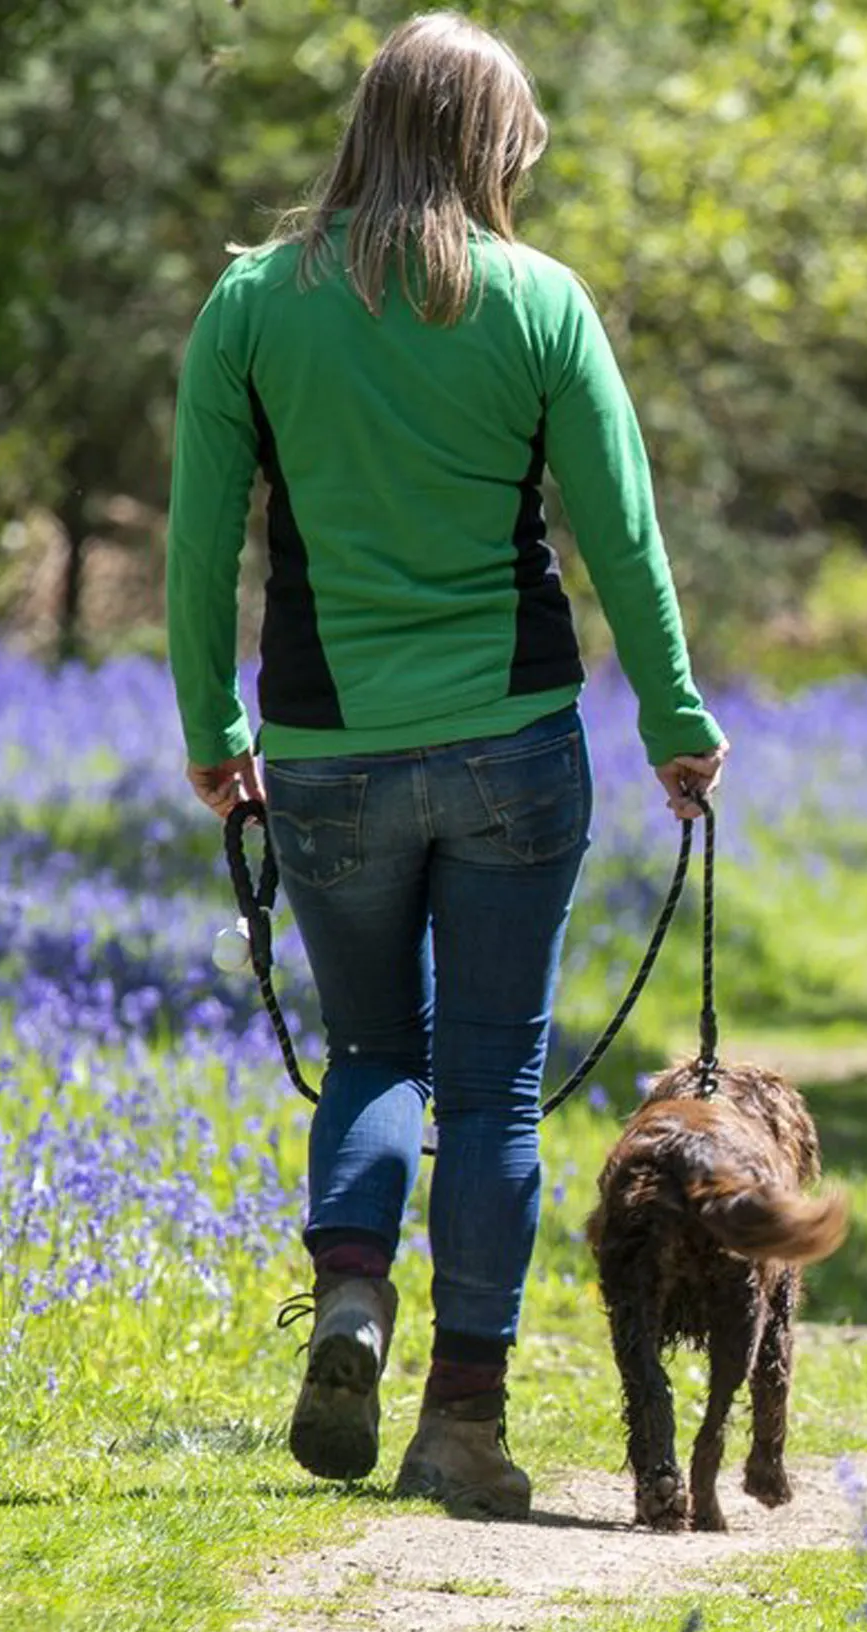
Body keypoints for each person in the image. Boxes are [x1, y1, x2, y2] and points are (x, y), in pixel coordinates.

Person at [164, 10, 727, 1521]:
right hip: (513, 743)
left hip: (329, 751)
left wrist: (214, 735)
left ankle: (351, 1296)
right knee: (491, 1094)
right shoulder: (540, 304)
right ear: (492, 144)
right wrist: (676, 721)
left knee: (369, 1055)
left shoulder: (253, 304)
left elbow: (203, 537)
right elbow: (623, 535)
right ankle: (460, 1423)